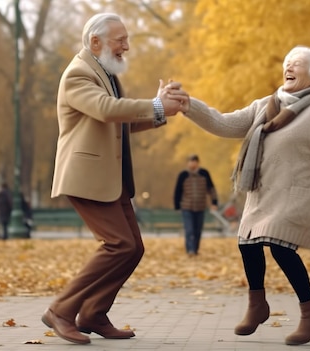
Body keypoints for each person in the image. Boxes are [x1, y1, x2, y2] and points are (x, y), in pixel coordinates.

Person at [166, 46, 310, 345]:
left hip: (296, 197)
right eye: (287, 63)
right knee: (247, 244)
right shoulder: (266, 106)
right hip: (261, 195)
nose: (289, 67)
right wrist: (187, 105)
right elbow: (224, 122)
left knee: (281, 248)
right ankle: (257, 305)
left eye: (297, 64)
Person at [41, 13, 187, 345]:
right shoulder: (78, 74)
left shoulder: (104, 72)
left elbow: (120, 121)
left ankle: (93, 312)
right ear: (95, 42)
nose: (127, 47)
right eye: (120, 40)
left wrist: (162, 109)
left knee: (132, 248)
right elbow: (108, 110)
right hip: (86, 177)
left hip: (111, 178)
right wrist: (155, 104)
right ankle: (61, 311)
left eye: (126, 39)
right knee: (119, 244)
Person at [173, 154, 219, 256]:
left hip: (200, 207)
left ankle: (195, 249)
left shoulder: (204, 173)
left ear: (198, 162)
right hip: (187, 207)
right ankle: (190, 250)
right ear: (187, 163)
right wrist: (177, 205)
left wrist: (214, 202)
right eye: (190, 161)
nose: (192, 163)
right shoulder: (183, 175)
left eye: (194, 161)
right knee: (189, 230)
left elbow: (211, 189)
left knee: (197, 230)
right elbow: (178, 191)